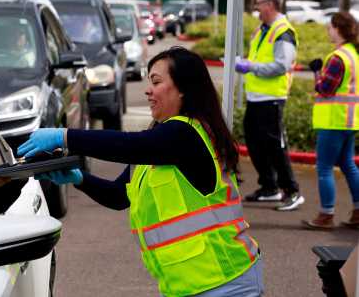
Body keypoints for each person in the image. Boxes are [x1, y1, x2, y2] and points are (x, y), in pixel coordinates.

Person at [17, 47, 264, 297]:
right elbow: (118, 196)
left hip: (226, 281)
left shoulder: (186, 134)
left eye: (156, 81)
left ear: (184, 89)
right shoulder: (160, 143)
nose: (148, 90)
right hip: (191, 285)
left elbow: (129, 145)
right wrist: (80, 179)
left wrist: (65, 136)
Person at [235, 0, 304, 211]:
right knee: (255, 143)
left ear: (270, 5)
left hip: (272, 97)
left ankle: (291, 191)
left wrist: (250, 66)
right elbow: (259, 58)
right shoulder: (262, 30)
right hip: (256, 97)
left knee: (275, 146)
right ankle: (269, 187)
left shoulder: (283, 31)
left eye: (259, 4)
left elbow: (281, 66)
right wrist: (244, 62)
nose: (256, 8)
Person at [303, 12, 359, 229]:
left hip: (332, 121)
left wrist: (317, 72)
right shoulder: (354, 54)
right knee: (348, 165)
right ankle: (357, 212)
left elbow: (325, 89)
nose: (328, 30)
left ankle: (326, 215)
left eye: (330, 27)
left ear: (338, 29)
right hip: (349, 120)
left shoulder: (338, 58)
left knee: (324, 168)